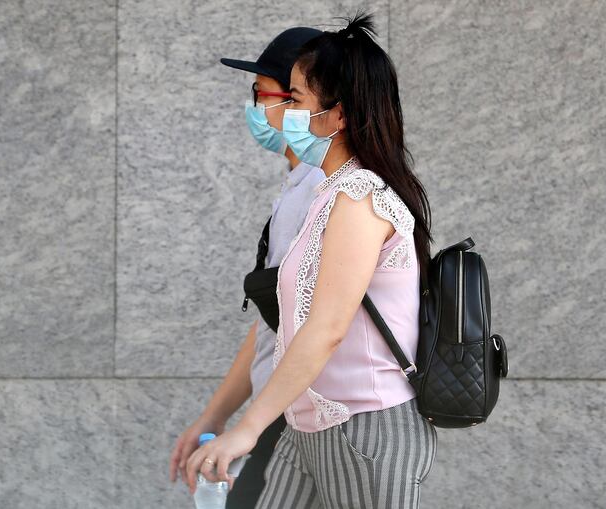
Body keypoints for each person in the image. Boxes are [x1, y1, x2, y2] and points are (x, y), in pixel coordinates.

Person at [183, 12, 438, 509]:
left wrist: (248, 428)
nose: (280, 114)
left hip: (364, 432)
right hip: (311, 427)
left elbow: (326, 328)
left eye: (295, 100)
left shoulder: (362, 197)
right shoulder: (330, 193)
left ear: (339, 115)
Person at [168, 26, 325, 509]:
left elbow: (321, 326)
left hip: (298, 413)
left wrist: (247, 428)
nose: (255, 107)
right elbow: (272, 325)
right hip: (281, 410)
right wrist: (214, 418)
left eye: (264, 93)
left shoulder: (323, 190)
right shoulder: (299, 184)